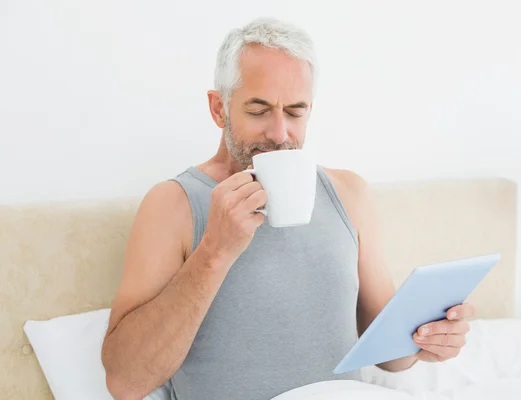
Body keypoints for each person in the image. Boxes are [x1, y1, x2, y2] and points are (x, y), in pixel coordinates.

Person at [101, 17, 475, 400]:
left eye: (295, 112)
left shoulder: (349, 194)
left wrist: (427, 340)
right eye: (259, 110)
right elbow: (126, 382)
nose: (280, 135)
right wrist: (214, 251)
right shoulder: (173, 204)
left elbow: (389, 353)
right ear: (219, 108)